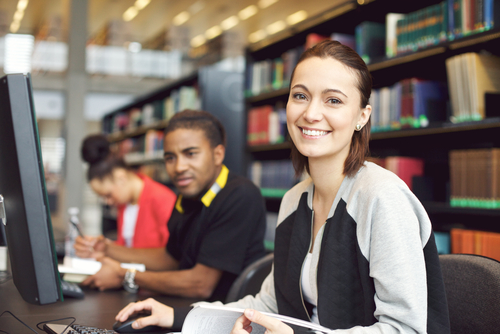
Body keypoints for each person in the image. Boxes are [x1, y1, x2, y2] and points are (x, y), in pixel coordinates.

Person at [114, 40, 450, 334]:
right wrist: (179, 316)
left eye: (333, 100)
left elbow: (405, 329)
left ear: (362, 116)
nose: (311, 113)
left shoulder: (381, 198)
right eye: (300, 96)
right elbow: (268, 303)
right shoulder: (294, 201)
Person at [75, 110, 267, 302]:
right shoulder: (186, 197)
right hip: (183, 307)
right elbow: (170, 258)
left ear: (217, 155)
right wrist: (108, 249)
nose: (179, 167)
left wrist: (124, 275)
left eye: (190, 154)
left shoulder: (239, 195)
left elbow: (200, 285)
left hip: (221, 320)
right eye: (170, 158)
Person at [80, 134, 176, 249]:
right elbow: (128, 247)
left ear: (121, 178)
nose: (108, 202)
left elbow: (171, 255)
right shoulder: (125, 204)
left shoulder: (162, 199)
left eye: (108, 195)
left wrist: (110, 250)